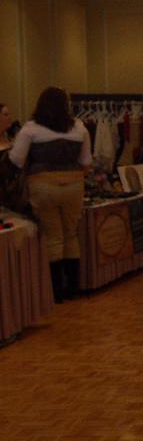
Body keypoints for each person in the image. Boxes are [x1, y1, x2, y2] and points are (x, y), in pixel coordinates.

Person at [8, 87, 91, 302]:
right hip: (74, 185)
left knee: (53, 237)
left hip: (42, 185)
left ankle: (57, 292)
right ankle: (73, 288)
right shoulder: (79, 127)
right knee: (71, 234)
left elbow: (16, 160)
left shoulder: (31, 128)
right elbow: (86, 163)